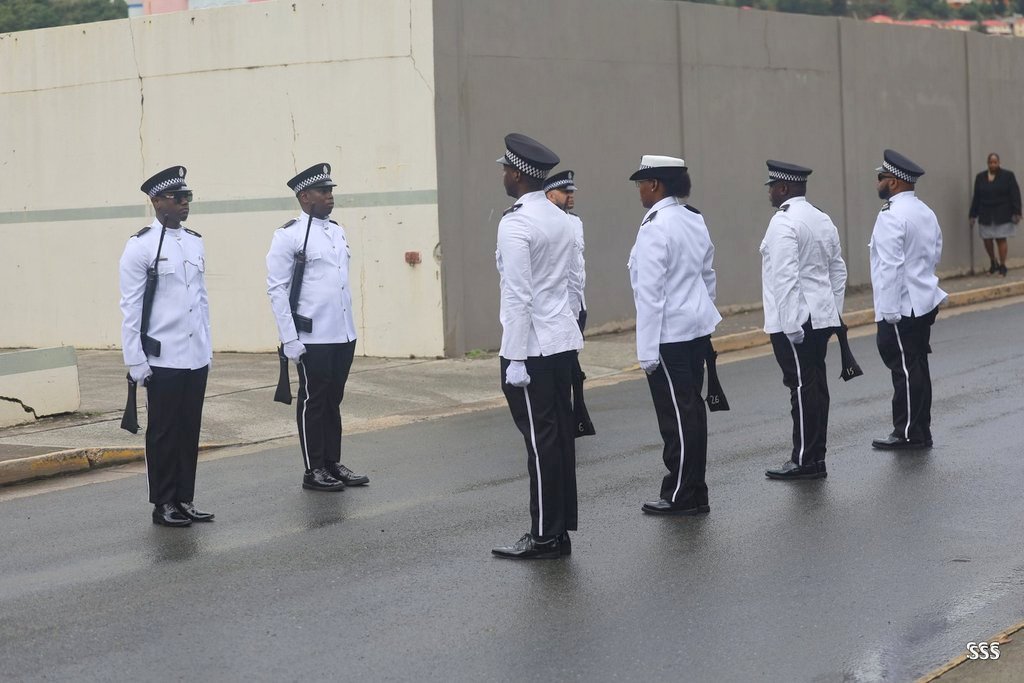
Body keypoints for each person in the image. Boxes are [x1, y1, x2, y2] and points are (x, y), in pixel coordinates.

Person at [491, 134, 584, 560]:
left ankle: (545, 534)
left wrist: (514, 358)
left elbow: (518, 295)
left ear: (517, 174)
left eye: (505, 170)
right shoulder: (561, 218)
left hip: (531, 350)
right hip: (560, 341)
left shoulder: (516, 223)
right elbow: (572, 283)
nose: (503, 175)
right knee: (559, 440)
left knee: (541, 443)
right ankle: (558, 531)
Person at [119, 166, 213, 527]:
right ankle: (163, 503)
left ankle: (184, 498)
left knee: (189, 429)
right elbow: (130, 307)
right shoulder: (140, 246)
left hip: (194, 356)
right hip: (162, 356)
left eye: (188, 197)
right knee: (163, 432)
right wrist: (135, 360)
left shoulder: (194, 241)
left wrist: (207, 348)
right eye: (178, 197)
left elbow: (201, 301)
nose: (185, 203)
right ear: (157, 201)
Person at [266, 163, 369, 491]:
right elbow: (277, 290)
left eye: (330, 190)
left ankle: (332, 462)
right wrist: (289, 338)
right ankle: (314, 469)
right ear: (304, 197)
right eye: (323, 191)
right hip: (312, 336)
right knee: (313, 400)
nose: (330, 196)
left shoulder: (337, 231)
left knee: (333, 400)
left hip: (342, 333)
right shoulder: (288, 236)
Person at [628, 155, 721, 515]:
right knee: (692, 412)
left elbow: (650, 294)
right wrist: (701, 315)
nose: (639, 191)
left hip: (669, 336)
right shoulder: (692, 218)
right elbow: (707, 275)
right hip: (694, 330)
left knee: (677, 418)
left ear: (655, 185)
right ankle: (695, 490)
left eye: (641, 184)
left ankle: (681, 493)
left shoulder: (655, 226)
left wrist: (646, 350)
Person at [759, 161, 848, 480]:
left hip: (794, 322)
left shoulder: (783, 222)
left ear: (784, 188)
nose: (769, 192)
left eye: (772, 187)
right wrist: (833, 310)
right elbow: (838, 270)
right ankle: (815, 458)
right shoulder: (821, 217)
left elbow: (784, 277)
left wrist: (791, 324)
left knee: (801, 388)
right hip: (820, 317)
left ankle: (804, 460)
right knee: (815, 386)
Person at [870, 149, 947, 450]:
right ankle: (920, 430)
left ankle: (908, 432)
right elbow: (935, 253)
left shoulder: (891, 215)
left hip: (901, 306)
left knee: (905, 369)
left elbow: (890, 266)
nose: (878, 182)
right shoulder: (925, 211)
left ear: (893, 182)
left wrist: (888, 310)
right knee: (917, 366)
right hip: (923, 300)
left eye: (881, 177)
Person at [543, 169, 595, 438]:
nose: (571, 196)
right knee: (562, 369)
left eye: (572, 191)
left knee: (571, 365)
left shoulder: (575, 222)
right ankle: (562, 417)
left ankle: (574, 415)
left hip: (577, 306)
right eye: (565, 192)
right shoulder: (544, 224)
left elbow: (577, 269)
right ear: (550, 195)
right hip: (557, 308)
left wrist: (580, 307)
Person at [969, 153, 1021, 277]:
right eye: (990, 162)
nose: (993, 165)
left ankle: (1003, 266)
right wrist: (972, 214)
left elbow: (1015, 194)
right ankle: (993, 262)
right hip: (985, 213)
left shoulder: (1008, 176)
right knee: (987, 240)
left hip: (1002, 213)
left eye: (995, 162)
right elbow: (976, 197)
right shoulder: (980, 177)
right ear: (988, 163)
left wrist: (1017, 212)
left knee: (1001, 239)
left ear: (999, 163)